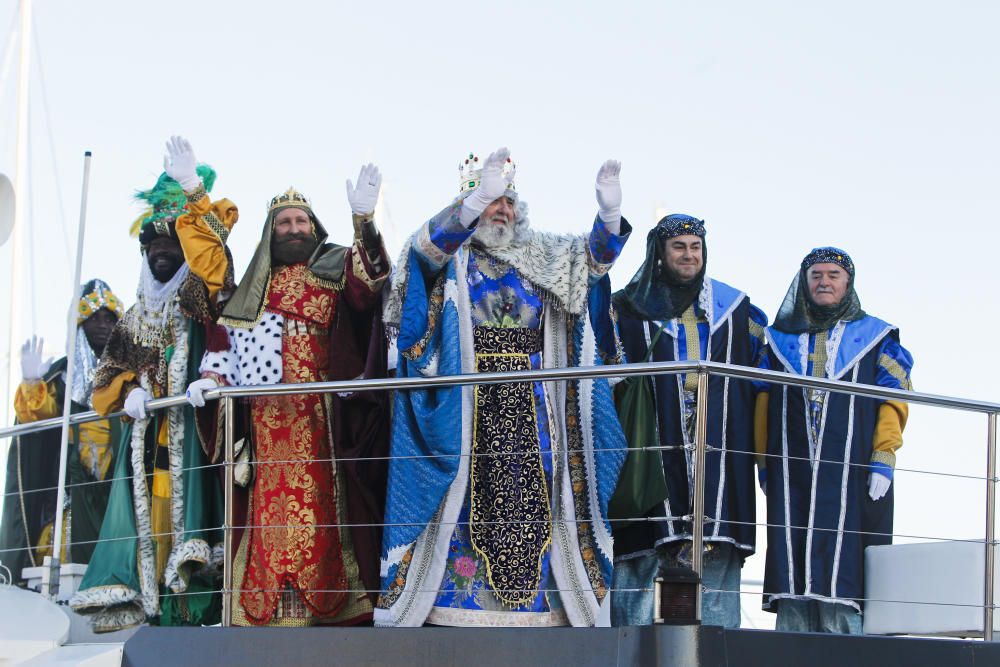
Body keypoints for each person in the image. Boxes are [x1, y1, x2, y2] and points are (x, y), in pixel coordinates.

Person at [378, 148, 630, 627]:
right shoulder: (452, 256)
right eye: (495, 200)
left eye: (509, 202)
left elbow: (592, 265)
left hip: (537, 405)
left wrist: (609, 217)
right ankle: (453, 606)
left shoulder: (544, 254)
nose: (504, 210)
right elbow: (421, 257)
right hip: (469, 403)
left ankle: (543, 609)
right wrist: (475, 202)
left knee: (544, 496)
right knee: (465, 492)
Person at [182, 140, 392, 626]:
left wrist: (364, 222)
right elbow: (224, 338)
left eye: (301, 221)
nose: (294, 228)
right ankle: (270, 612)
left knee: (326, 513)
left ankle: (339, 611)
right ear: (270, 232)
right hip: (266, 426)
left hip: (324, 419)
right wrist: (210, 379)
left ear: (314, 228)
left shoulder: (335, 268)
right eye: (284, 222)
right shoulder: (250, 287)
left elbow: (372, 283)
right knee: (268, 519)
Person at [70, 141, 233, 631]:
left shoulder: (198, 294)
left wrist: (193, 192)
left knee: (195, 528)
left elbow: (218, 263)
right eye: (153, 249)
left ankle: (192, 612)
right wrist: (127, 394)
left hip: (198, 434)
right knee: (151, 526)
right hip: (147, 446)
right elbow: (104, 381)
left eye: (170, 247)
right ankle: (150, 609)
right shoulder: (136, 315)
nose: (161, 255)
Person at [610, 215, 767, 628]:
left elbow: (766, 370)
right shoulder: (628, 307)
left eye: (695, 247)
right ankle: (631, 649)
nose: (688, 255)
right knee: (642, 560)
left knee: (716, 560)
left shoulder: (736, 308)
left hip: (718, 457)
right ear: (660, 253)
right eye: (679, 246)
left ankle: (720, 647)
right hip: (649, 450)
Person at [757, 247, 913, 634]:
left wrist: (883, 456)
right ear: (805, 283)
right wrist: (762, 463)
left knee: (847, 575)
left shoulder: (876, 337)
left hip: (853, 469)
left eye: (833, 275)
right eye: (816, 275)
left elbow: (894, 399)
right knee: (793, 574)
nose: (824, 282)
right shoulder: (776, 341)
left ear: (848, 283)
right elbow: (760, 400)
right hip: (791, 469)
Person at [0, 280, 124, 585]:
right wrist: (32, 382)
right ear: (79, 323)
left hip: (115, 484)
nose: (103, 326)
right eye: (94, 318)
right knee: (64, 551)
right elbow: (38, 419)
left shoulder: (127, 374)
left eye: (110, 319)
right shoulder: (61, 377)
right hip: (71, 489)